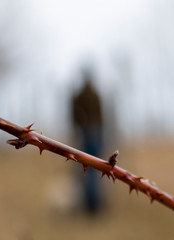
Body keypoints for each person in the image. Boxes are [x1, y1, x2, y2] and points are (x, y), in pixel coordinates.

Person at [71, 70, 104, 215]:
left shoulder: (79, 95)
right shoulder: (95, 94)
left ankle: (90, 204)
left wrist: (81, 125)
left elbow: (74, 114)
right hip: (94, 134)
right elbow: (100, 117)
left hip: (86, 135)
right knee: (95, 170)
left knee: (87, 170)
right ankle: (94, 205)